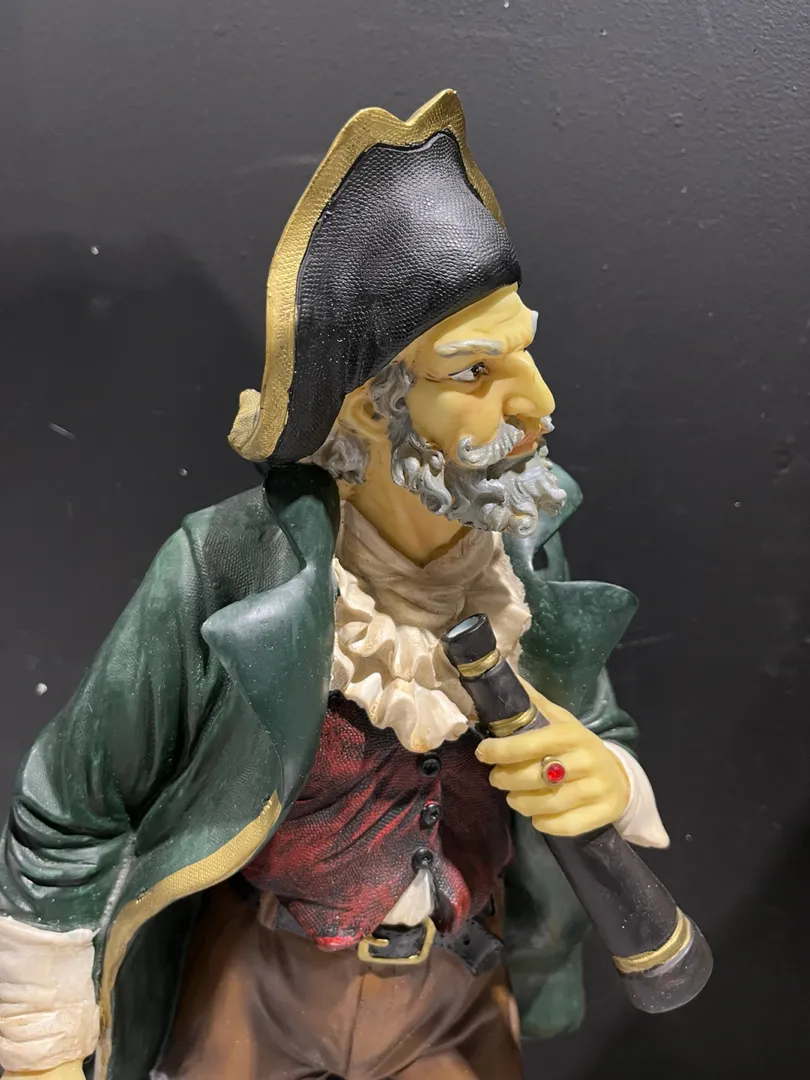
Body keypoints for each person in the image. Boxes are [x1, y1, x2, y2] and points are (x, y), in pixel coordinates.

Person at [0, 90, 668, 1080]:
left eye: (526, 355)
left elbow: (597, 729)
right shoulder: (226, 563)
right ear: (368, 405)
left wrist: (606, 779)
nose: (537, 404)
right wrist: (40, 1046)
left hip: (451, 994)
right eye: (475, 373)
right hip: (259, 990)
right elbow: (71, 808)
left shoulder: (524, 557)